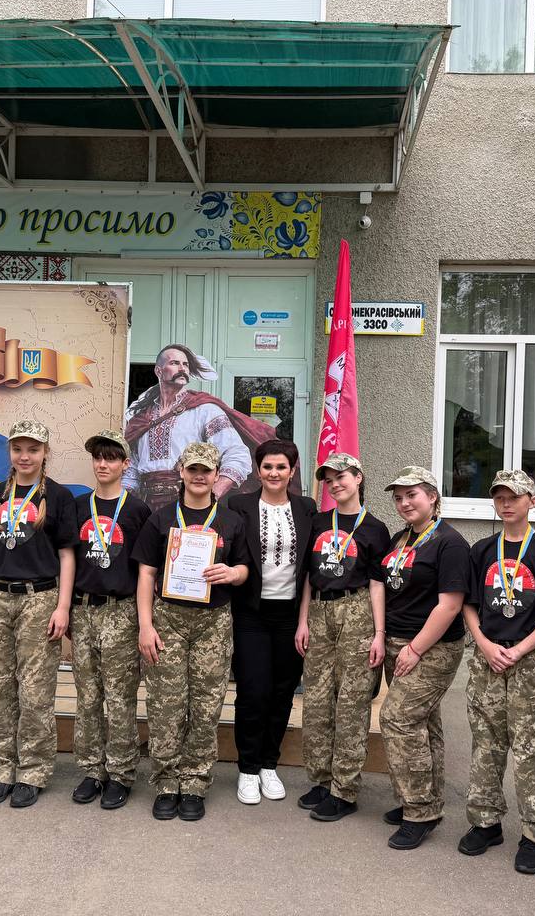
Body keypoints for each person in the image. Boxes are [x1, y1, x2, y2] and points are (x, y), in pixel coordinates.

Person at [460, 469, 535, 873]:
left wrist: (520, 650)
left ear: (533, 501)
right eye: (499, 497)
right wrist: (483, 643)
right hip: (487, 659)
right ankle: (485, 823)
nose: (506, 504)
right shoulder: (482, 550)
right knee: (486, 745)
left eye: (514, 496)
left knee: (531, 751)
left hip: (529, 663)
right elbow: (468, 603)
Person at [134, 442, 250, 822]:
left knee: (205, 705)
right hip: (168, 619)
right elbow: (146, 573)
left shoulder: (231, 520)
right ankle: (167, 783)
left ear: (217, 475)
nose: (199, 476)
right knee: (165, 705)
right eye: (193, 469)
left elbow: (245, 568)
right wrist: (146, 625)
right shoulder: (161, 518)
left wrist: (232, 573)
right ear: (181, 472)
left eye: (206, 470)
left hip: (213, 622)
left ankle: (196, 782)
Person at [0, 421, 76, 809]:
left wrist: (63, 607)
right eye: (18, 449)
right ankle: (1, 770)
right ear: (10, 452)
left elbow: (67, 554)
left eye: (33, 449)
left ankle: (32, 772)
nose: (25, 457)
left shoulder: (59, 497)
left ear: (45, 452)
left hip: (39, 599)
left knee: (35, 690)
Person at [294, 453, 390, 823]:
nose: (335, 484)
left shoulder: (375, 528)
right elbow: (308, 575)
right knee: (317, 700)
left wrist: (379, 633)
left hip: (357, 611)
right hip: (320, 611)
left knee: (351, 702)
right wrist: (303, 621)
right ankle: (321, 779)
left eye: (342, 477)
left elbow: (378, 583)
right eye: (329, 480)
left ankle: (344, 789)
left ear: (358, 478)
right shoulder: (319, 522)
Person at [378, 466, 470, 851]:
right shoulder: (401, 538)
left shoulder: (450, 543)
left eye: (412, 495)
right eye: (398, 497)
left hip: (431, 647)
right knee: (423, 722)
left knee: (397, 718)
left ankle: (419, 812)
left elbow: (450, 606)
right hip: (397, 642)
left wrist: (415, 648)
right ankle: (424, 799)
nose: (404, 503)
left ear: (432, 497)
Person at [226, 439, 316, 806]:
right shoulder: (239, 505)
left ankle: (268, 764)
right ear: (257, 469)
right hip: (251, 613)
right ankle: (248, 768)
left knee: (282, 691)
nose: (274, 473)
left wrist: (304, 619)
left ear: (292, 471)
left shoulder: (307, 509)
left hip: (290, 615)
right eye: (267, 466)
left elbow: (309, 570)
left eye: (281, 467)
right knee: (253, 691)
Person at [67, 430, 151, 810]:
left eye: (111, 458)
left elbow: (145, 570)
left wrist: (144, 621)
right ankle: (92, 769)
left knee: (119, 697)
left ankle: (120, 772)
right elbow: (68, 560)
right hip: (83, 609)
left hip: (121, 610)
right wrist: (67, 609)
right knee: (88, 696)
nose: (103, 464)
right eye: (98, 457)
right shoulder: (78, 507)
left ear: (125, 464)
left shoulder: (137, 511)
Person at [122, 343, 273, 508]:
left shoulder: (205, 410)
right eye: (175, 363)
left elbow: (236, 454)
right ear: (159, 371)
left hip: (192, 503)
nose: (182, 369)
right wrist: (125, 503)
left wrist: (213, 495)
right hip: (147, 507)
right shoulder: (142, 417)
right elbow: (132, 469)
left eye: (185, 364)